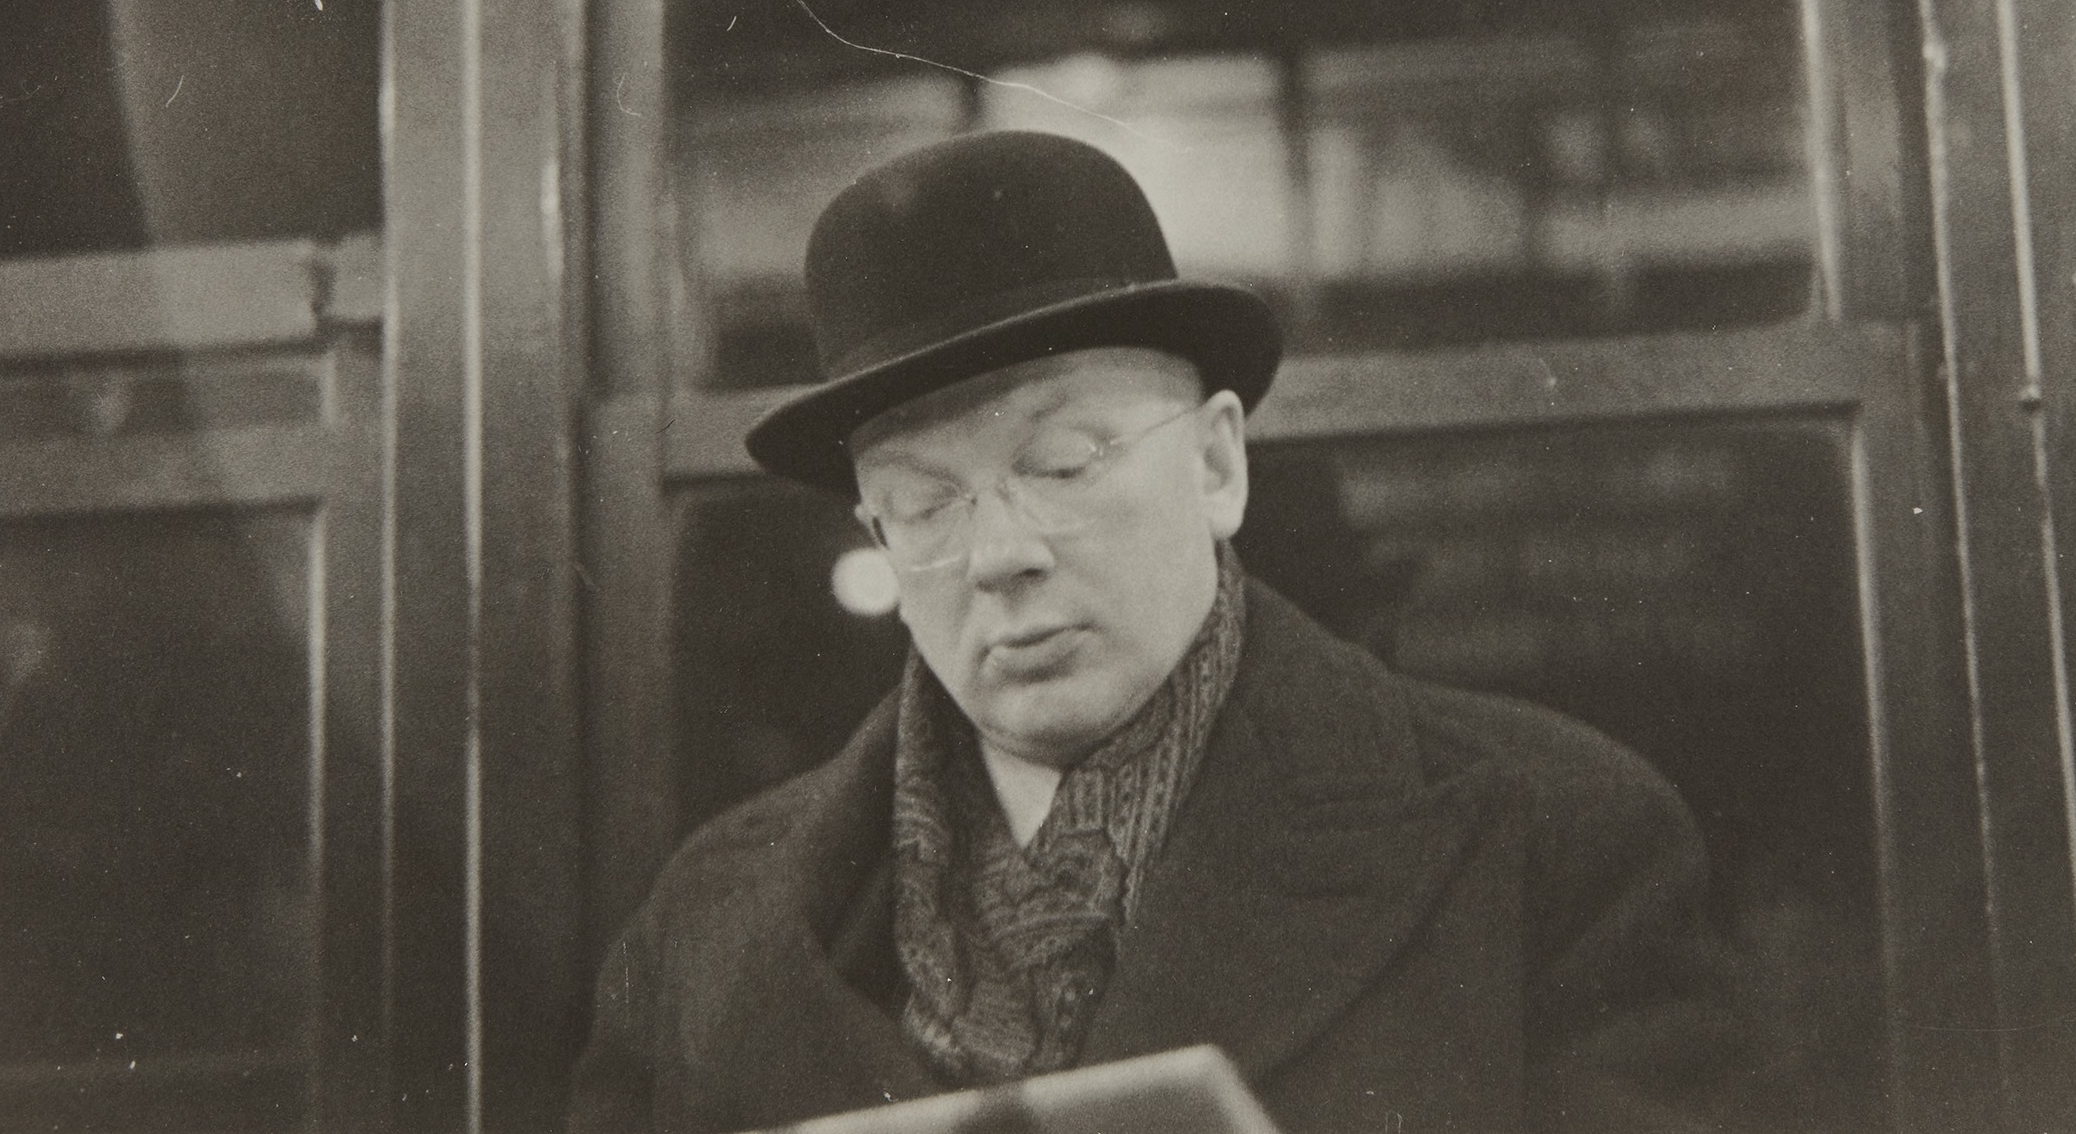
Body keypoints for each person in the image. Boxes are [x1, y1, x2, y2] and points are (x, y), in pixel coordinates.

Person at [569, 131, 1735, 1133]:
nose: (998, 553)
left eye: (1063, 462)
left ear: (1218, 464)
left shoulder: (1557, 843)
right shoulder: (705, 929)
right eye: (925, 504)